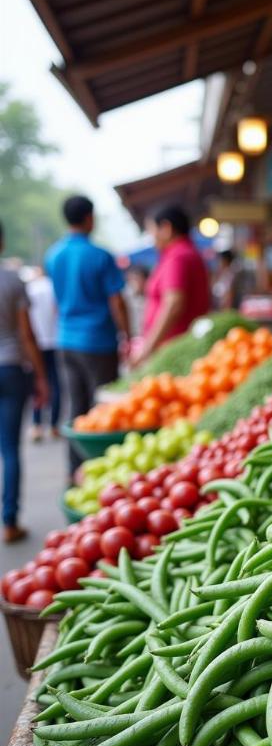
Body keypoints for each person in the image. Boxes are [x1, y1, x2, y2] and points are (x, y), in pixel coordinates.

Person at [46, 195, 130, 476]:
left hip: (65, 341)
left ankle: (75, 474)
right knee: (102, 413)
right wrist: (127, 336)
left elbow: (56, 302)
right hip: (98, 343)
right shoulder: (100, 256)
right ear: (89, 218)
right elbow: (116, 301)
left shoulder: (53, 255)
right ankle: (101, 474)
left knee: (76, 410)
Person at [0, 222, 48, 542]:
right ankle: (9, 522)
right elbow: (27, 334)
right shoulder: (13, 280)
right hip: (11, 368)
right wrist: (42, 376)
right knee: (10, 448)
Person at [134, 204, 210, 365]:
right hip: (181, 348)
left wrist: (147, 349)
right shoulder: (186, 253)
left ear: (166, 228)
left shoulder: (178, 256)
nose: (152, 238)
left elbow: (174, 304)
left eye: (152, 231)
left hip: (173, 352)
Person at [26, 267, 61, 440]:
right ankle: (54, 425)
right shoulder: (53, 287)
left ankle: (37, 424)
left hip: (35, 342)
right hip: (54, 340)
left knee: (37, 383)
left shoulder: (30, 289)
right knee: (55, 383)